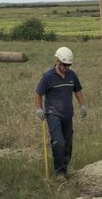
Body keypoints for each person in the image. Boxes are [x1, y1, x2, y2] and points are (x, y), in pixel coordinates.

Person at [34, 46, 87, 179]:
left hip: (68, 115)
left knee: (68, 143)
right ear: (57, 61)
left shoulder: (72, 75)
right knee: (58, 142)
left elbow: (78, 90)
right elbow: (38, 94)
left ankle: (65, 168)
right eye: (64, 65)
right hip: (53, 114)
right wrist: (39, 109)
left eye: (68, 65)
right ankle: (59, 172)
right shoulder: (48, 76)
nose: (66, 67)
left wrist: (82, 105)